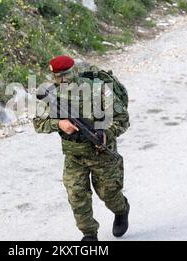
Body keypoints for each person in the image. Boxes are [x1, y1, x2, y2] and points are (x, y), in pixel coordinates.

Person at [33, 55, 130, 241]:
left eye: (66, 75)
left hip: (102, 153)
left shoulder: (97, 89)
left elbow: (122, 119)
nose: (63, 80)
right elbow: (38, 123)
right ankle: (89, 234)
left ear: (74, 71)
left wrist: (105, 134)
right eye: (58, 77)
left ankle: (122, 210)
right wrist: (59, 124)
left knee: (108, 194)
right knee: (77, 196)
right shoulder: (52, 95)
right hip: (74, 155)